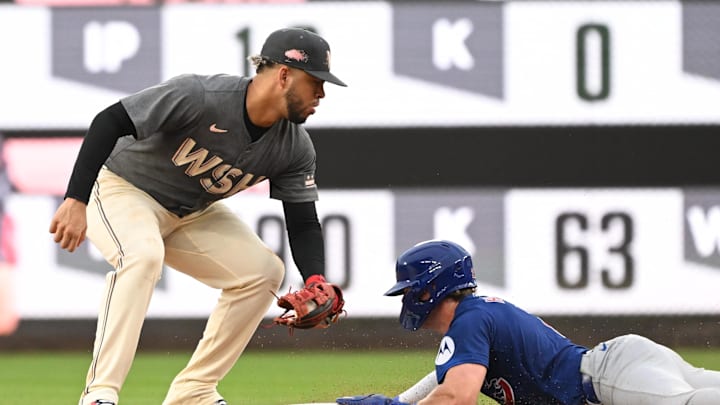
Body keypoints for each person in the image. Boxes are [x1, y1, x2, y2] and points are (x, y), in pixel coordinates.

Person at [49, 27, 346, 405]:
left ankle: (194, 391)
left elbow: (303, 222)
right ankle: (100, 394)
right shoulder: (202, 96)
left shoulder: (294, 146)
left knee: (264, 273)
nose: (321, 94)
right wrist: (75, 199)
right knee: (141, 256)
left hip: (189, 212)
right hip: (123, 188)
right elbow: (109, 120)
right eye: (315, 82)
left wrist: (315, 278)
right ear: (283, 74)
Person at [336, 240, 720, 405]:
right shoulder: (475, 320)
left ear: (437, 288)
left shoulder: (469, 322)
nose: (408, 300)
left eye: (413, 290)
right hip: (621, 370)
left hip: (609, 379)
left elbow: (459, 396)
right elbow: (447, 379)